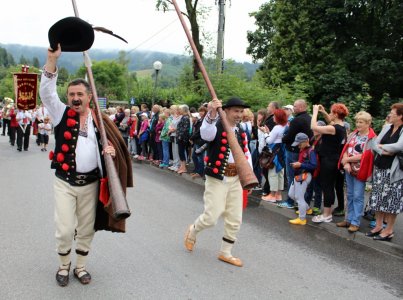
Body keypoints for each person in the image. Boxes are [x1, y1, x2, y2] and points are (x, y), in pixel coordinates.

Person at [39, 44, 132, 287]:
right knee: (65, 229)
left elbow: (112, 148)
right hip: (64, 182)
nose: (76, 98)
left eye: (80, 94)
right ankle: (63, 265)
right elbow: (47, 93)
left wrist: (109, 152)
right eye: (72, 94)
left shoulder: (101, 122)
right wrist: (51, 61)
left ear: (89, 97)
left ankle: (80, 267)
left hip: (91, 184)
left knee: (86, 229)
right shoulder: (61, 113)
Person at [184, 97, 252, 267]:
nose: (239, 114)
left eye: (241, 111)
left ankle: (225, 252)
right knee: (211, 218)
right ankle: (193, 230)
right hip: (218, 177)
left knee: (235, 218)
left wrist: (249, 178)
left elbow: (246, 153)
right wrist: (211, 112)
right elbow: (206, 134)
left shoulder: (241, 130)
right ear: (226, 111)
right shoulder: (216, 126)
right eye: (236, 111)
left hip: (237, 178)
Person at [366, 103, 403, 241]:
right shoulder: (387, 127)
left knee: (392, 201)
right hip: (380, 169)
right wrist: (384, 150)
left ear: (400, 116)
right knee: (378, 199)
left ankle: (389, 230)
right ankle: (378, 226)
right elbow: (374, 144)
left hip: (394, 172)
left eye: (393, 113)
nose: (390, 115)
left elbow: (399, 146)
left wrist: (382, 147)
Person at [337, 111, 376, 232]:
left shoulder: (372, 138)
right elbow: (346, 149)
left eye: (361, 122)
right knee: (349, 195)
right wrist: (346, 162)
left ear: (368, 123)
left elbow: (366, 156)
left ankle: (355, 222)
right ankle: (348, 219)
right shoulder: (354, 134)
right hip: (349, 168)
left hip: (361, 170)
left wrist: (347, 159)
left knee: (358, 196)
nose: (358, 124)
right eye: (357, 122)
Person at [311, 103, 348, 223]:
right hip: (334, 160)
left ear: (336, 114)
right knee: (330, 187)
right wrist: (324, 112)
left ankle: (326, 214)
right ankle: (328, 212)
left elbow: (314, 127)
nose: (330, 115)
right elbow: (330, 121)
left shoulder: (333, 129)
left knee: (327, 187)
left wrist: (315, 112)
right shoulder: (341, 127)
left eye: (332, 112)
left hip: (328, 160)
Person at [280, 99, 313, 208]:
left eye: (295, 106)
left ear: (301, 107)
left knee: (292, 177)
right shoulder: (310, 119)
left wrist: (283, 139)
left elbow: (290, 136)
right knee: (303, 178)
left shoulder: (296, 120)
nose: (293, 108)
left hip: (293, 151)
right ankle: (302, 202)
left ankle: (290, 201)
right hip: (306, 151)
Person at [288, 133, 317, 225]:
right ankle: (307, 209)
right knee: (291, 194)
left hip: (304, 176)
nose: (298, 145)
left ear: (306, 141)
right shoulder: (304, 149)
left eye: (299, 143)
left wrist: (300, 165)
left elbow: (314, 165)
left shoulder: (311, 151)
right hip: (299, 175)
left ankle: (302, 218)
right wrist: (299, 164)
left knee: (299, 197)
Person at [260, 109, 287, 202]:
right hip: (282, 152)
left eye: (275, 116)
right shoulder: (286, 126)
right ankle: (278, 194)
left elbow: (269, 141)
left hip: (275, 152)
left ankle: (272, 195)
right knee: (280, 174)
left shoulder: (277, 127)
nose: (273, 118)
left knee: (273, 174)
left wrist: (265, 133)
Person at [176, 104, 191, 174]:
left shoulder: (185, 118)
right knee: (180, 152)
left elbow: (185, 129)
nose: (179, 110)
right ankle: (182, 166)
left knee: (181, 152)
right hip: (180, 138)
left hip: (182, 138)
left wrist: (180, 137)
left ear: (184, 110)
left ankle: (184, 168)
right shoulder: (183, 117)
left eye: (180, 109)